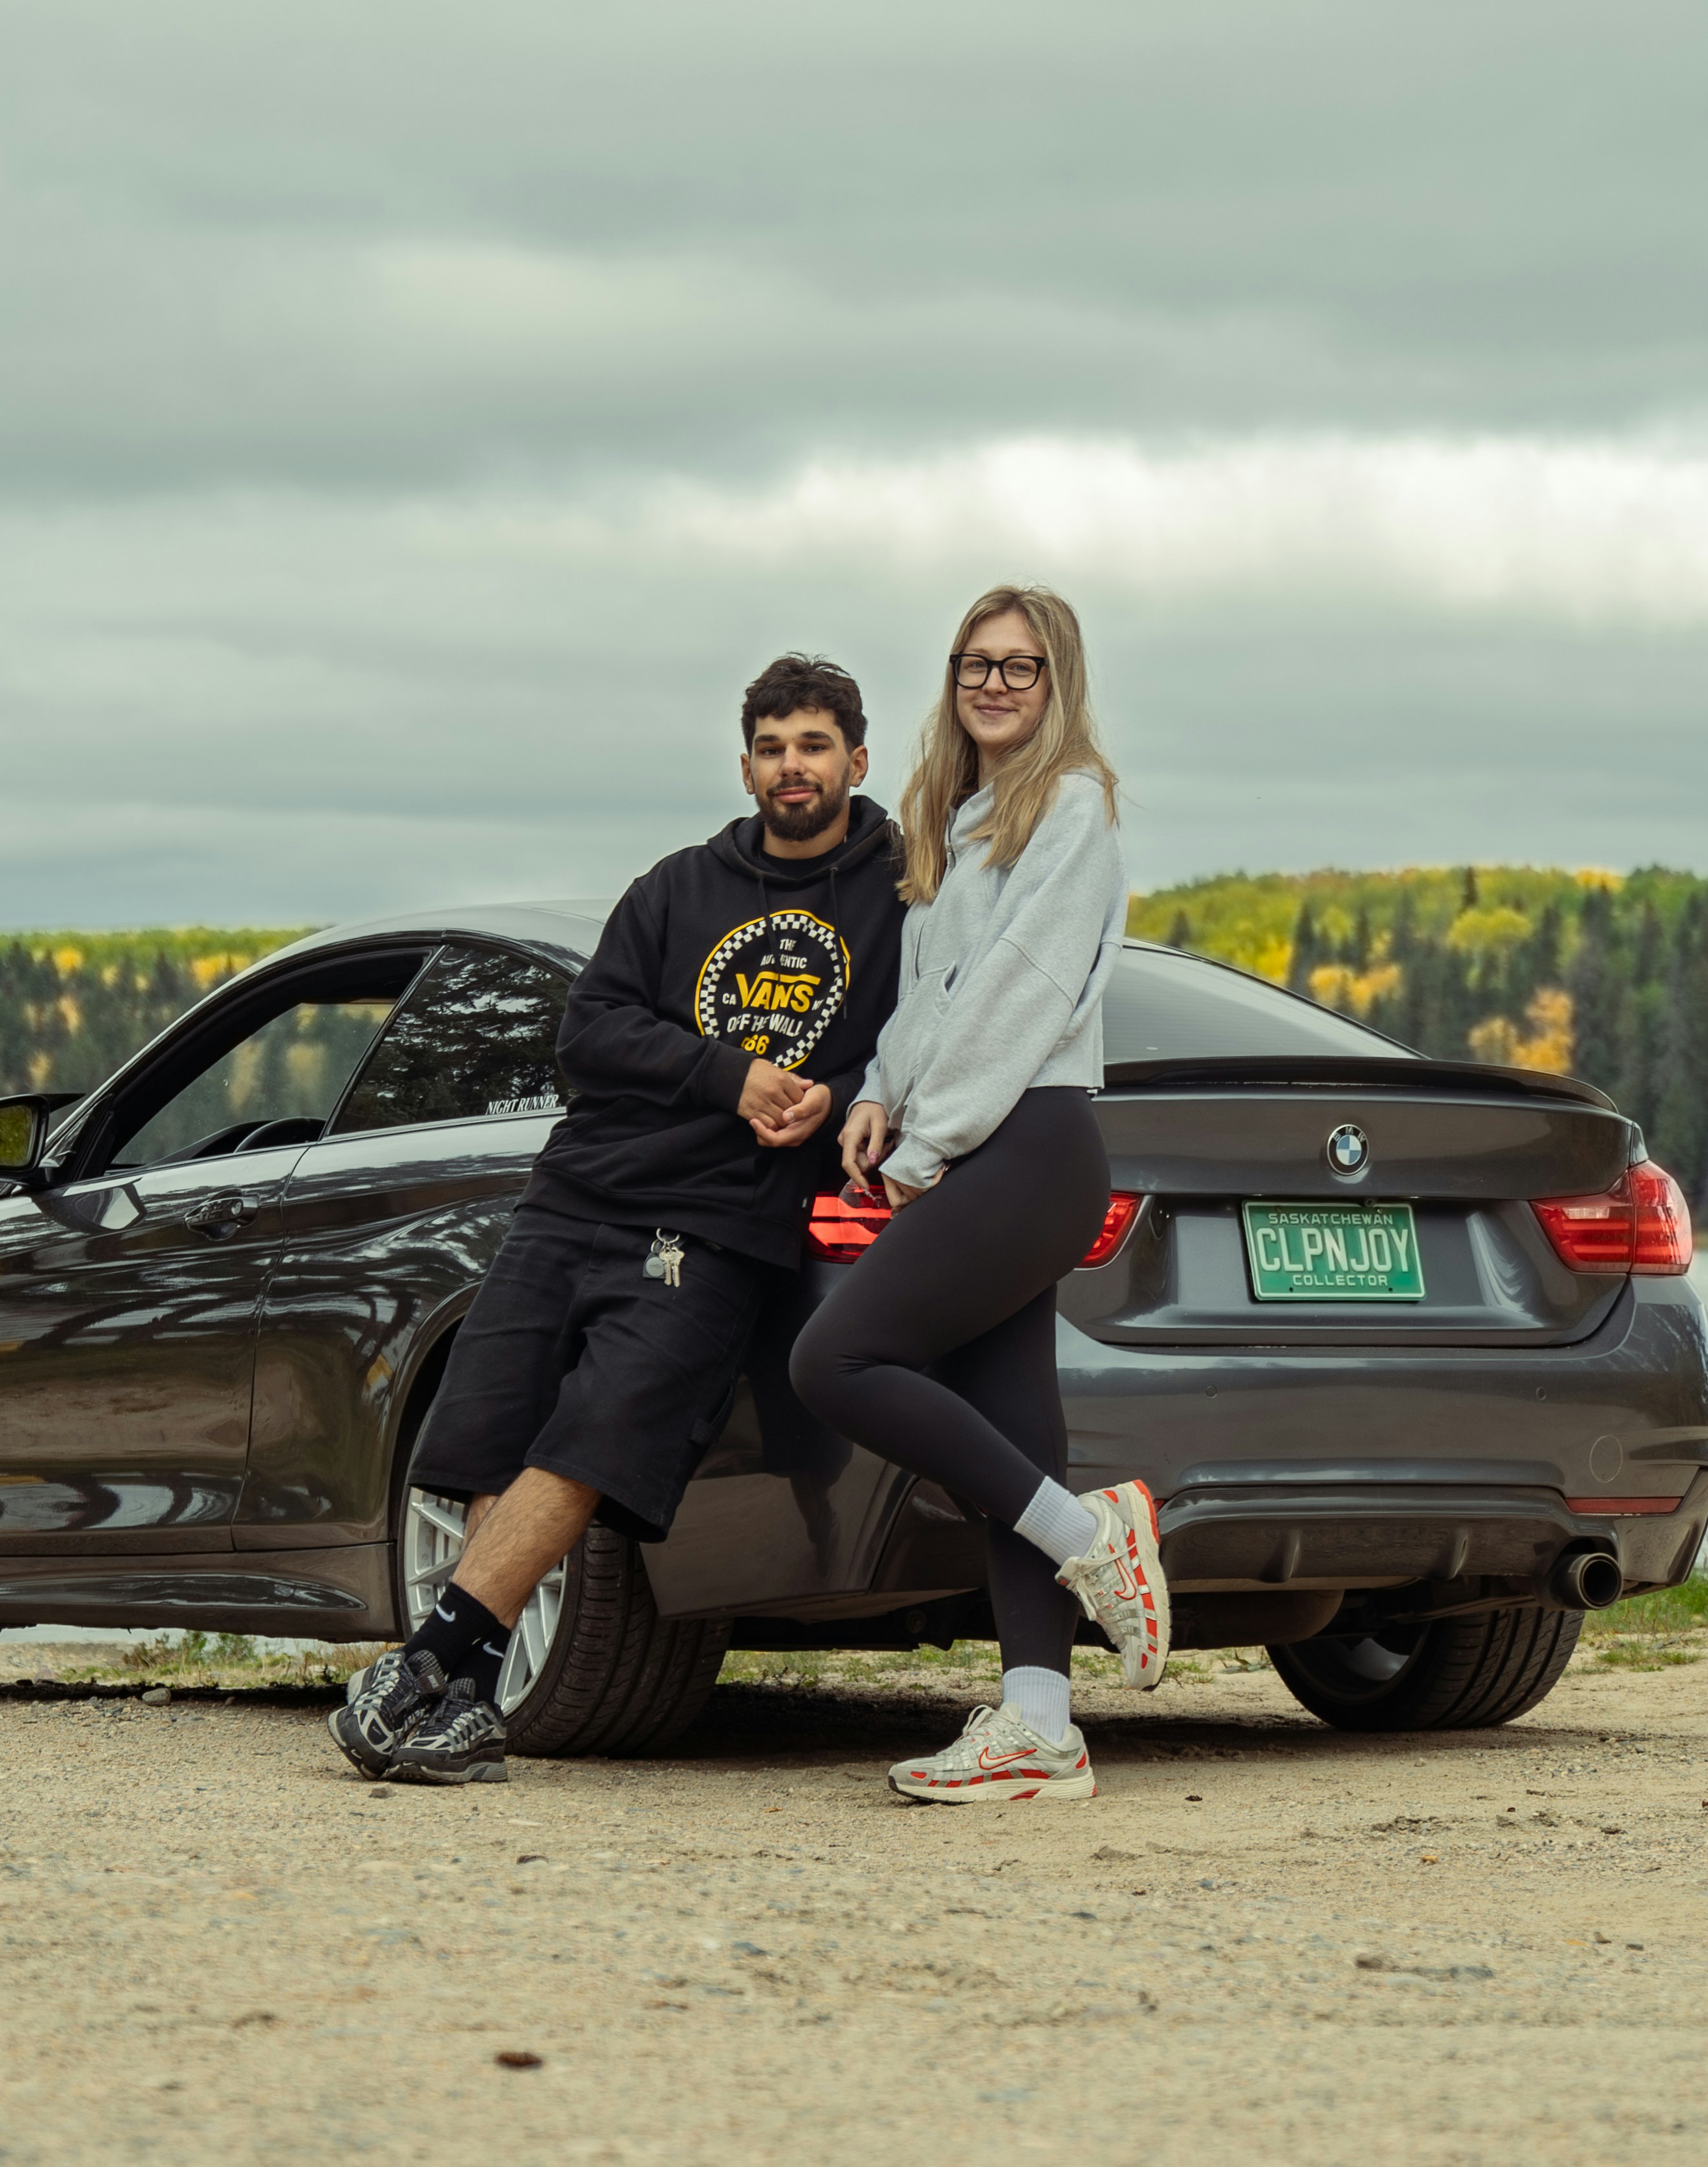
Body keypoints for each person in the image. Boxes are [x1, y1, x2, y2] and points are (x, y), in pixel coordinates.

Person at [329, 653, 906, 1785]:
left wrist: (839, 1094)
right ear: (745, 764)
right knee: (495, 1428)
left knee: (592, 1438)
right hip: (577, 1193)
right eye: (774, 747)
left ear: (858, 758)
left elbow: (921, 1034)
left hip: (718, 1223)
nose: (794, 767)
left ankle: (426, 1667)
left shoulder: (897, 898)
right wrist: (728, 1075)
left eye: (815, 744)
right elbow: (587, 1032)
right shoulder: (678, 887)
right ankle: (470, 1702)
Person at [787, 586, 1166, 1806]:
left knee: (833, 1360)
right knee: (1011, 1425)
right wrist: (876, 1095)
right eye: (973, 663)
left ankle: (1088, 1538)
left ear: (1059, 682)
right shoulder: (958, 816)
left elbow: (1017, 997)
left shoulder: (1068, 805)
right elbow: (928, 996)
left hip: (1031, 1142)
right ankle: (1040, 1726)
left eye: (1022, 665)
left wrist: (921, 1148)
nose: (994, 683)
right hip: (984, 1142)